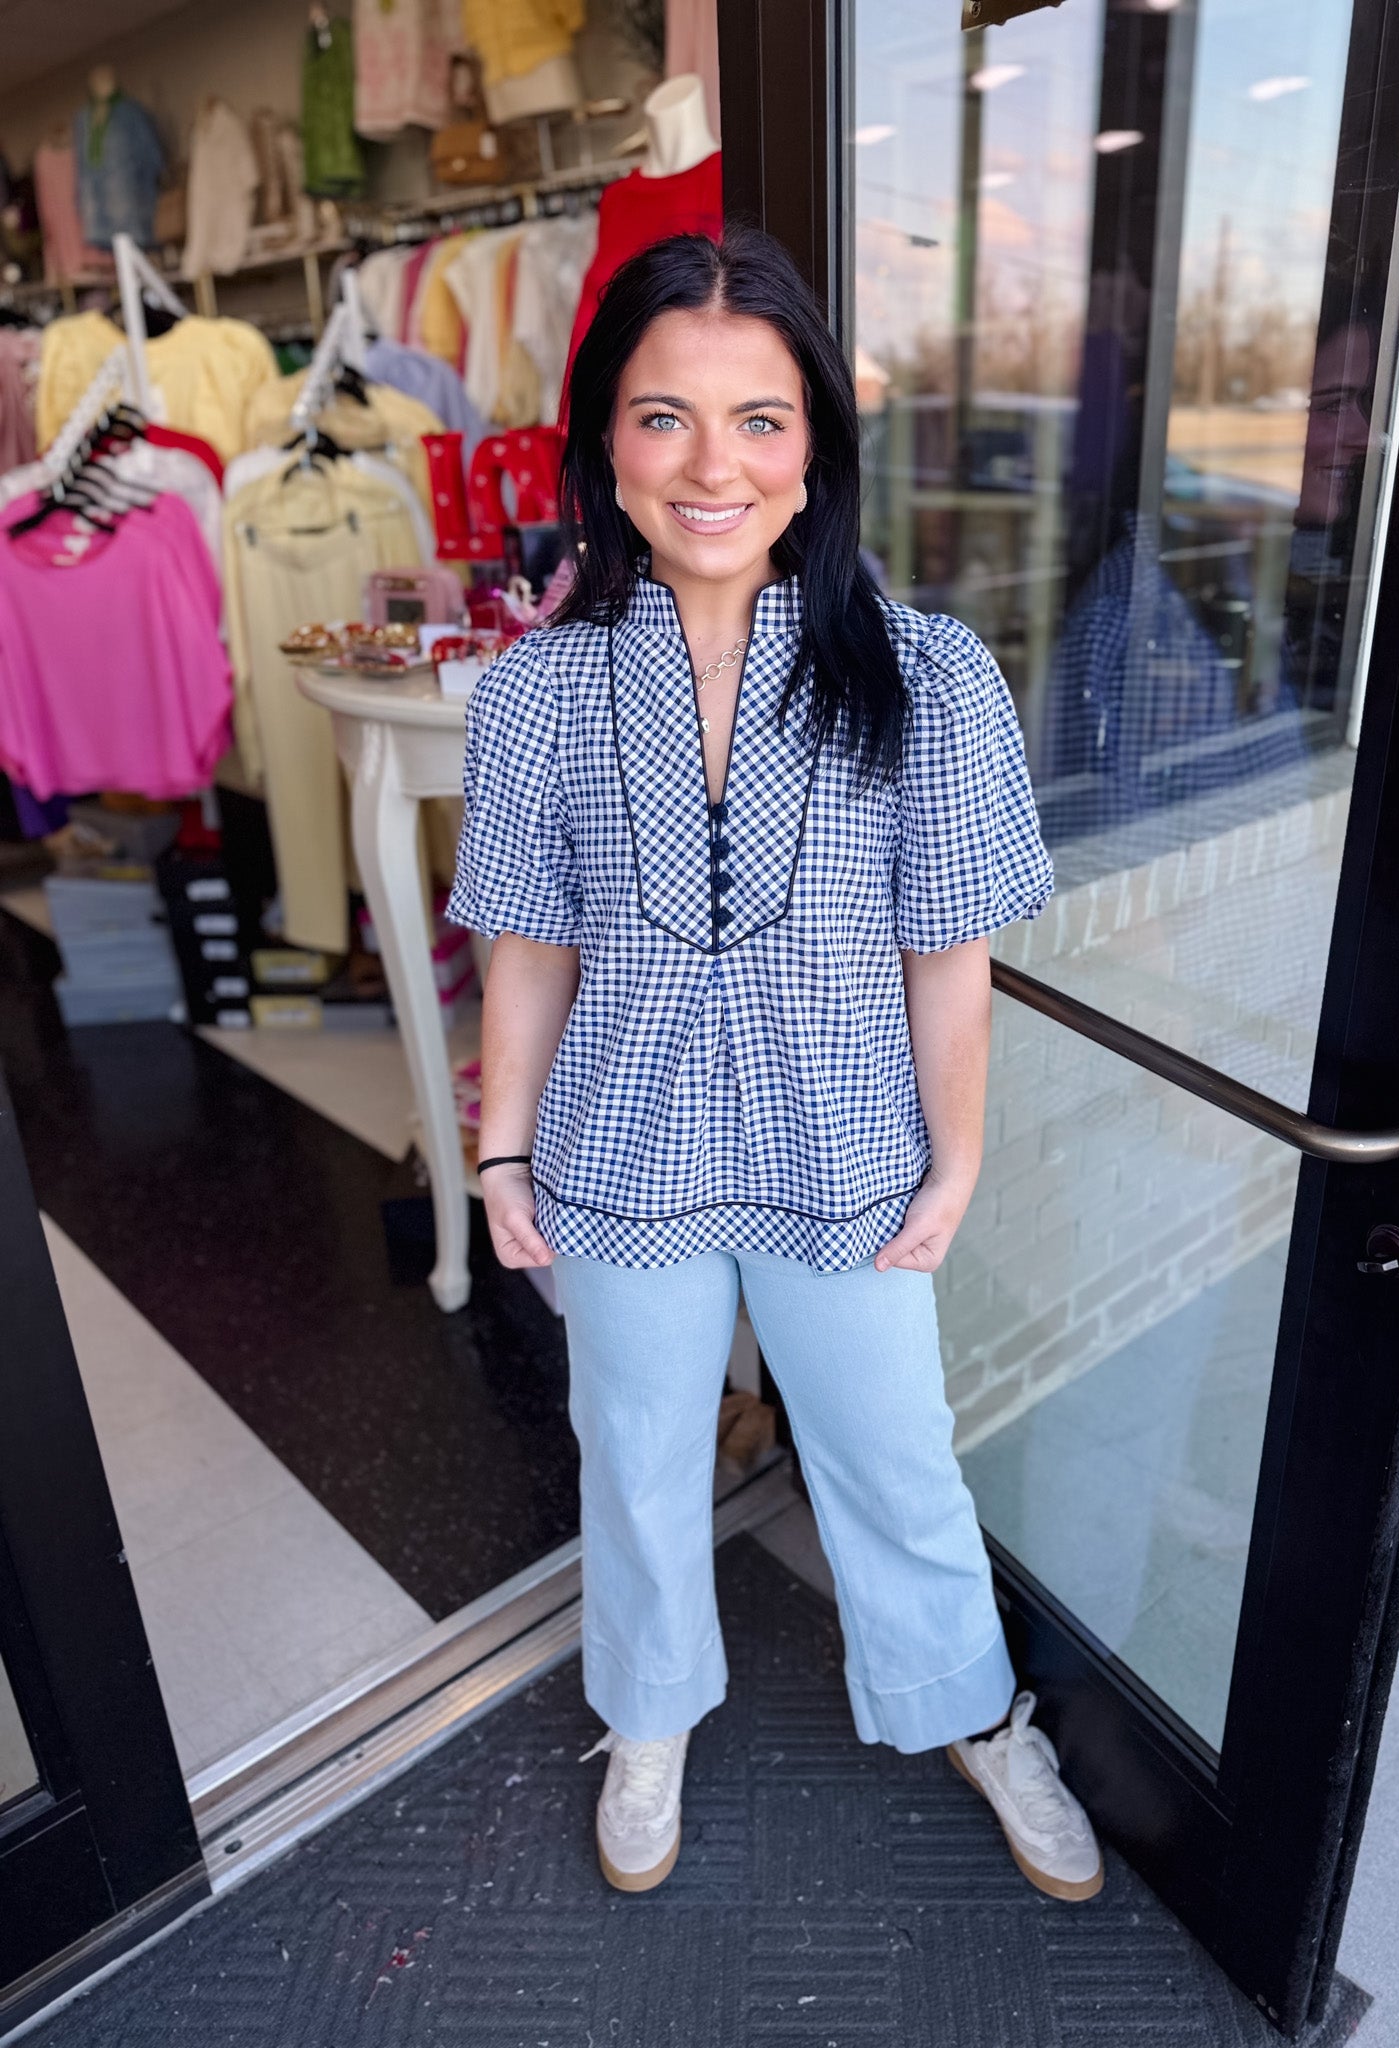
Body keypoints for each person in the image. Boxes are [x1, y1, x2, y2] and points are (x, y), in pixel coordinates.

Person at [447, 224, 1104, 1902]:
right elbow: (530, 944)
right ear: (607, 442)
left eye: (758, 419)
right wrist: (504, 1147)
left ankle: (973, 1710)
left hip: (845, 1148)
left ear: (814, 448)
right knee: (638, 1456)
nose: (711, 465)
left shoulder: (929, 675)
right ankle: (649, 1711)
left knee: (893, 1453)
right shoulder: (535, 694)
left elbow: (947, 955)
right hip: (619, 1156)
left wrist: (957, 1156)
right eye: (664, 417)